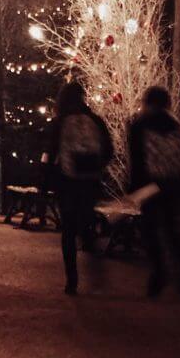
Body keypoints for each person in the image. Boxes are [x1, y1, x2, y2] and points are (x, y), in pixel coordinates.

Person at [45, 81, 113, 295]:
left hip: (67, 181)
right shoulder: (95, 120)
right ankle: (94, 263)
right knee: (86, 224)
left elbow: (50, 152)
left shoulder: (60, 122)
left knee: (68, 231)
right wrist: (97, 167)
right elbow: (109, 150)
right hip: (90, 180)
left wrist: (46, 180)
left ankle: (72, 281)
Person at [127, 86, 180, 299]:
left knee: (151, 231)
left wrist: (134, 187)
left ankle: (159, 274)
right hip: (175, 183)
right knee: (173, 232)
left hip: (151, 184)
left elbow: (137, 158)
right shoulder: (174, 123)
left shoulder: (140, 124)